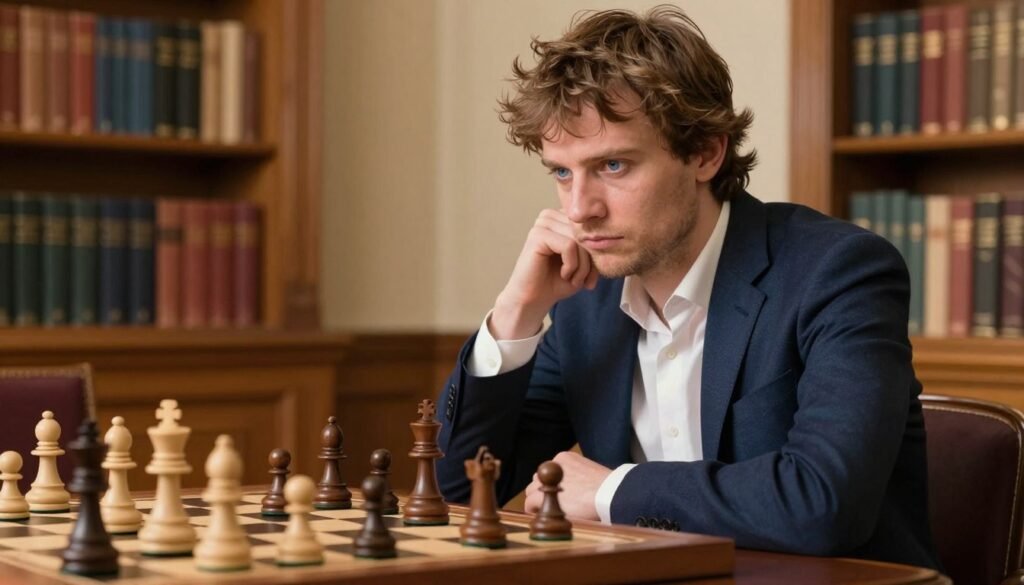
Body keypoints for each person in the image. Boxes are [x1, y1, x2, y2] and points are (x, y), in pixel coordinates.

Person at [434, 5, 941, 570]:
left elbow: (824, 503)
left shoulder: (838, 271)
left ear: (705, 153)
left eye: (614, 166)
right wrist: (516, 314)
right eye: (561, 172)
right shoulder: (588, 307)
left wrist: (611, 493)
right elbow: (457, 486)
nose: (580, 209)